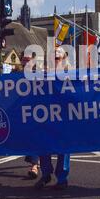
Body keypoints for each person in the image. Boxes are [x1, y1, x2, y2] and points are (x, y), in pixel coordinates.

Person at [35, 47, 71, 190]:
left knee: (64, 147)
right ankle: (46, 174)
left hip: (64, 116)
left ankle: (62, 178)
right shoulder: (43, 74)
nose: (56, 53)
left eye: (59, 52)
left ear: (64, 58)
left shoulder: (71, 74)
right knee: (43, 144)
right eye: (54, 52)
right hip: (46, 116)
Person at [20, 54, 40, 179]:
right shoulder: (14, 75)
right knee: (27, 139)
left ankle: (34, 165)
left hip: (36, 112)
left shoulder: (39, 76)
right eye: (25, 60)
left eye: (29, 60)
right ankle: (35, 160)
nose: (27, 62)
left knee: (34, 138)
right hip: (20, 113)